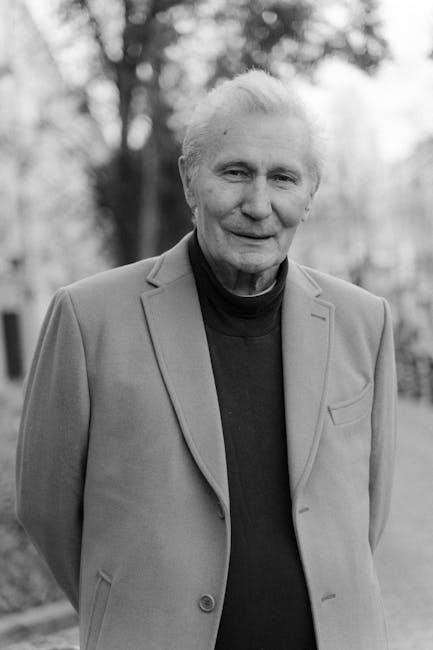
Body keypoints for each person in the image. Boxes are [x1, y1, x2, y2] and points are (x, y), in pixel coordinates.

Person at [16, 70, 397, 650]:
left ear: (310, 195)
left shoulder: (364, 321)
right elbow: (46, 508)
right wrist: (131, 612)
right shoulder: (87, 318)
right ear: (190, 181)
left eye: (283, 178)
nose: (259, 205)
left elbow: (369, 508)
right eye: (235, 172)